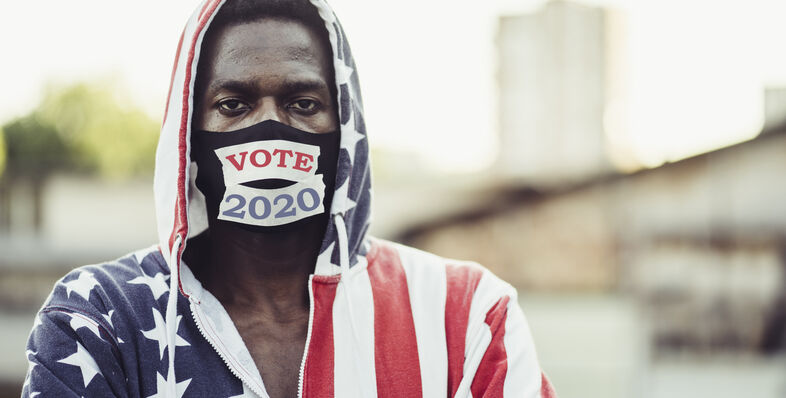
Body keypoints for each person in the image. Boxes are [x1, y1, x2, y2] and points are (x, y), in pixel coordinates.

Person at [22, 0, 557, 397]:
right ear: (187, 137)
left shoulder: (464, 315)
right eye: (234, 104)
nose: (271, 129)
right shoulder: (101, 318)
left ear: (345, 131)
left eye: (302, 102)